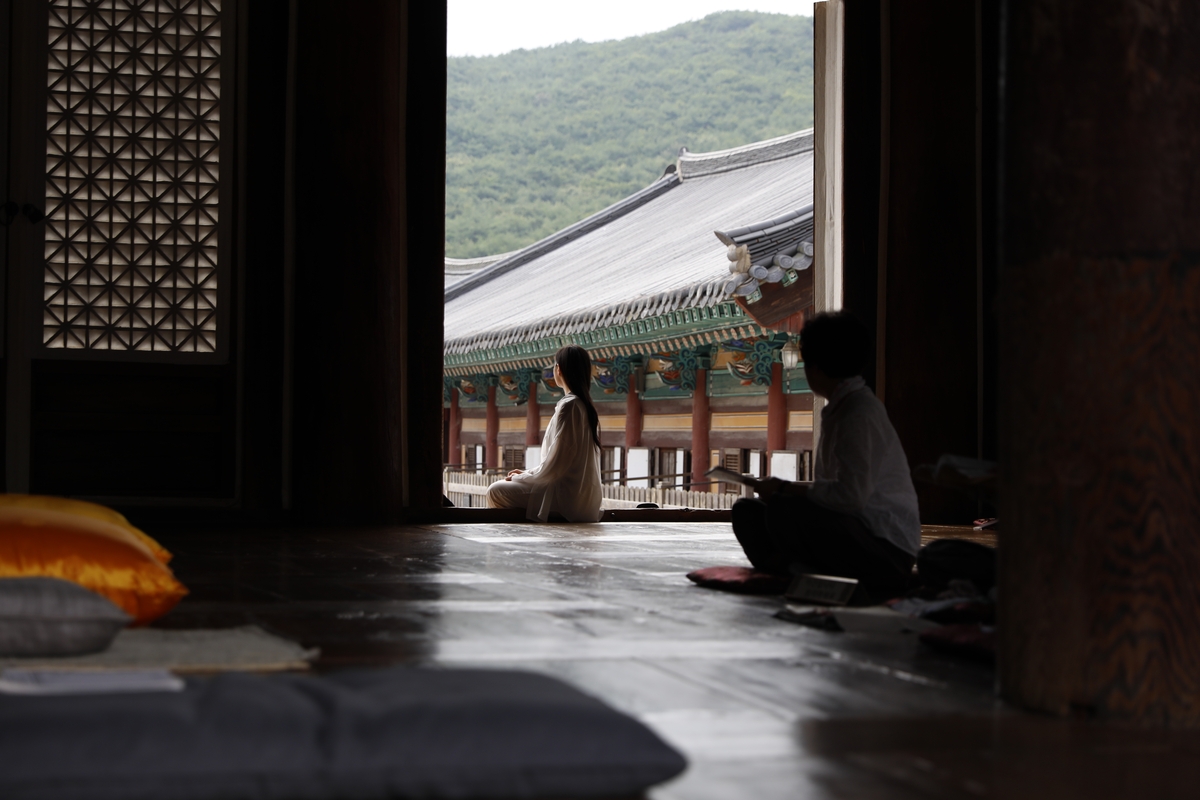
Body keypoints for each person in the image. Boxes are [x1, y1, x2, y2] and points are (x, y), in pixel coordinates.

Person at [731, 311, 921, 595]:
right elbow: (835, 492)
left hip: (885, 550)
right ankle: (796, 569)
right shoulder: (842, 408)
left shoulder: (858, 413)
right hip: (855, 532)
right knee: (747, 511)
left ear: (816, 368)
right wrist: (782, 489)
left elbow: (849, 498)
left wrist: (784, 489)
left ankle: (798, 570)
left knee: (784, 509)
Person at [485, 345, 603, 522]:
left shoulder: (570, 405)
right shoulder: (583, 405)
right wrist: (526, 474)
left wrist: (523, 477)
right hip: (582, 497)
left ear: (559, 369)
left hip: (566, 496)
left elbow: (556, 464)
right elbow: (558, 460)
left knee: (495, 490)